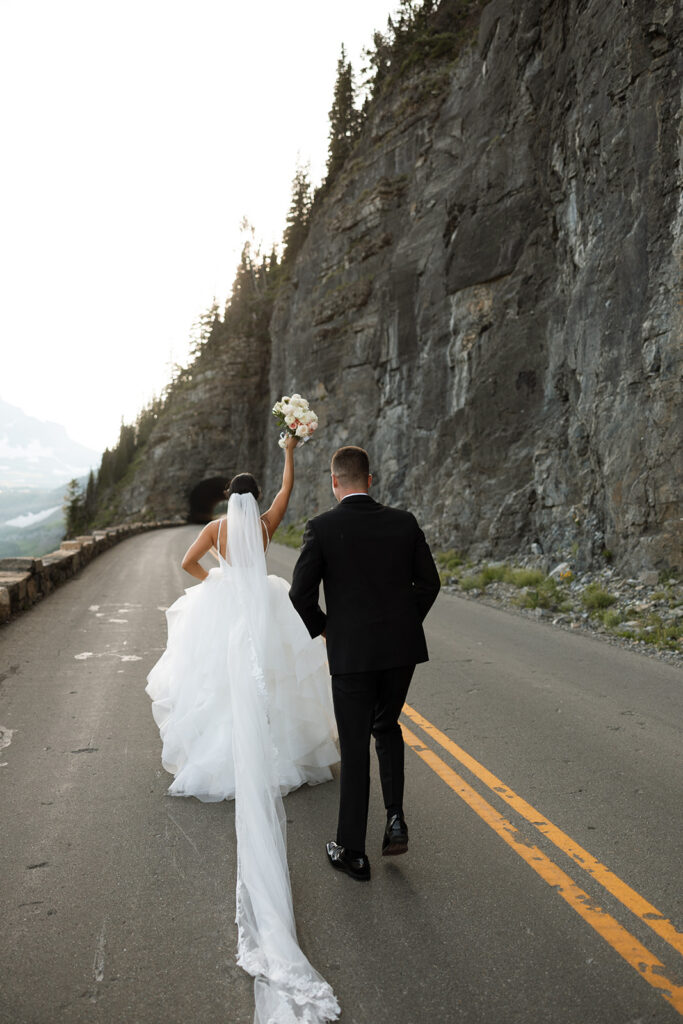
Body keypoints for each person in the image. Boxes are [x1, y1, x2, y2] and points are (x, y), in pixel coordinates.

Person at [146, 435, 340, 1024]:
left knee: (220, 690)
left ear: (226, 501)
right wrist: (288, 451)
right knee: (276, 684)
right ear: (255, 505)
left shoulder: (217, 532)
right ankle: (277, 753)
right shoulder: (263, 525)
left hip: (228, 610)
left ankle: (225, 757)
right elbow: (287, 492)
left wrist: (217, 578)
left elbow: (186, 565)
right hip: (263, 608)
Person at [289, 445, 441, 882]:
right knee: (387, 726)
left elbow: (300, 594)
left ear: (334, 482)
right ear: (370, 480)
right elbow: (429, 583)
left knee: (354, 745)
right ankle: (394, 818)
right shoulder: (404, 522)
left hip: (351, 655)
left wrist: (326, 629)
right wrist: (403, 624)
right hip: (400, 652)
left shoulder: (321, 527)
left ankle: (352, 851)